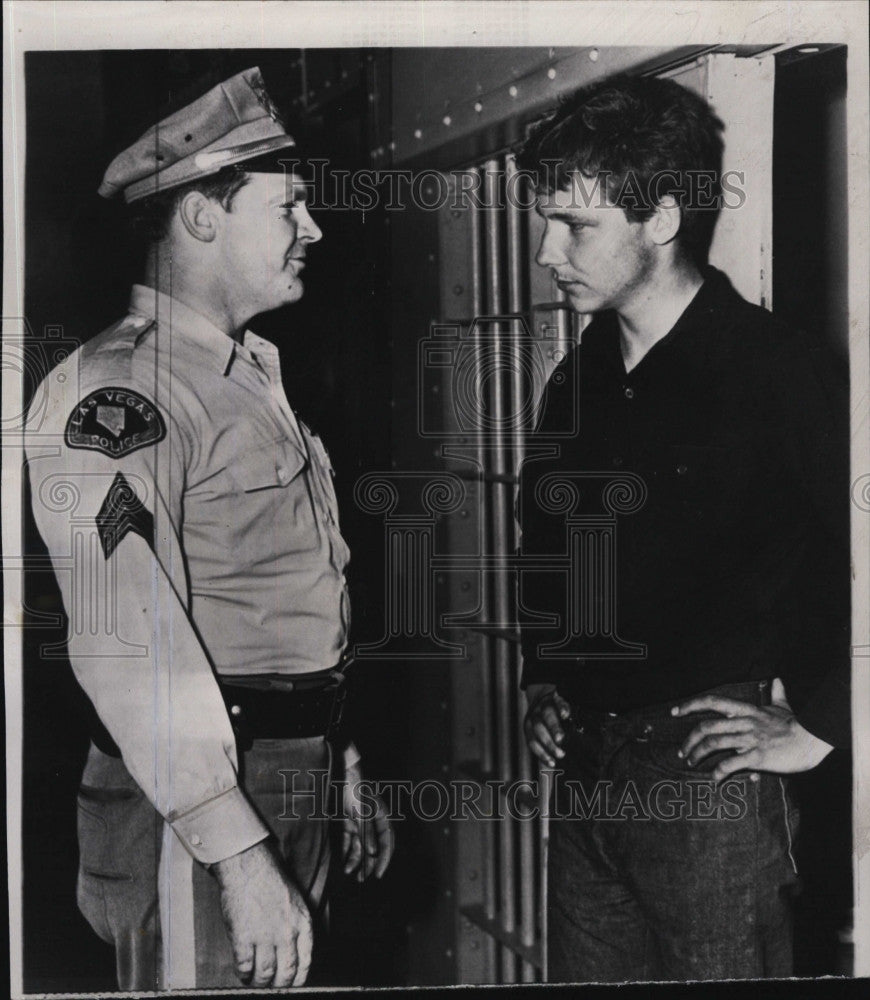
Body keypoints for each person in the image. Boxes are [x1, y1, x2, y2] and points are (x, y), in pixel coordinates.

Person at [24, 67, 393, 991]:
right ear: (200, 217)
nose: (312, 229)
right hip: (199, 800)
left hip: (276, 773)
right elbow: (129, 643)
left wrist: (335, 752)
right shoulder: (122, 392)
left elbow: (272, 598)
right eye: (289, 207)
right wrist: (235, 851)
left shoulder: (246, 370)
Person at [515, 74, 850, 982]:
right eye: (547, 222)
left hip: (708, 783)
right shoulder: (575, 381)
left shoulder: (776, 370)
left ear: (660, 218)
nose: (548, 251)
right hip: (583, 773)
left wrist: (823, 727)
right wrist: (544, 675)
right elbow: (544, 549)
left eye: (574, 226)